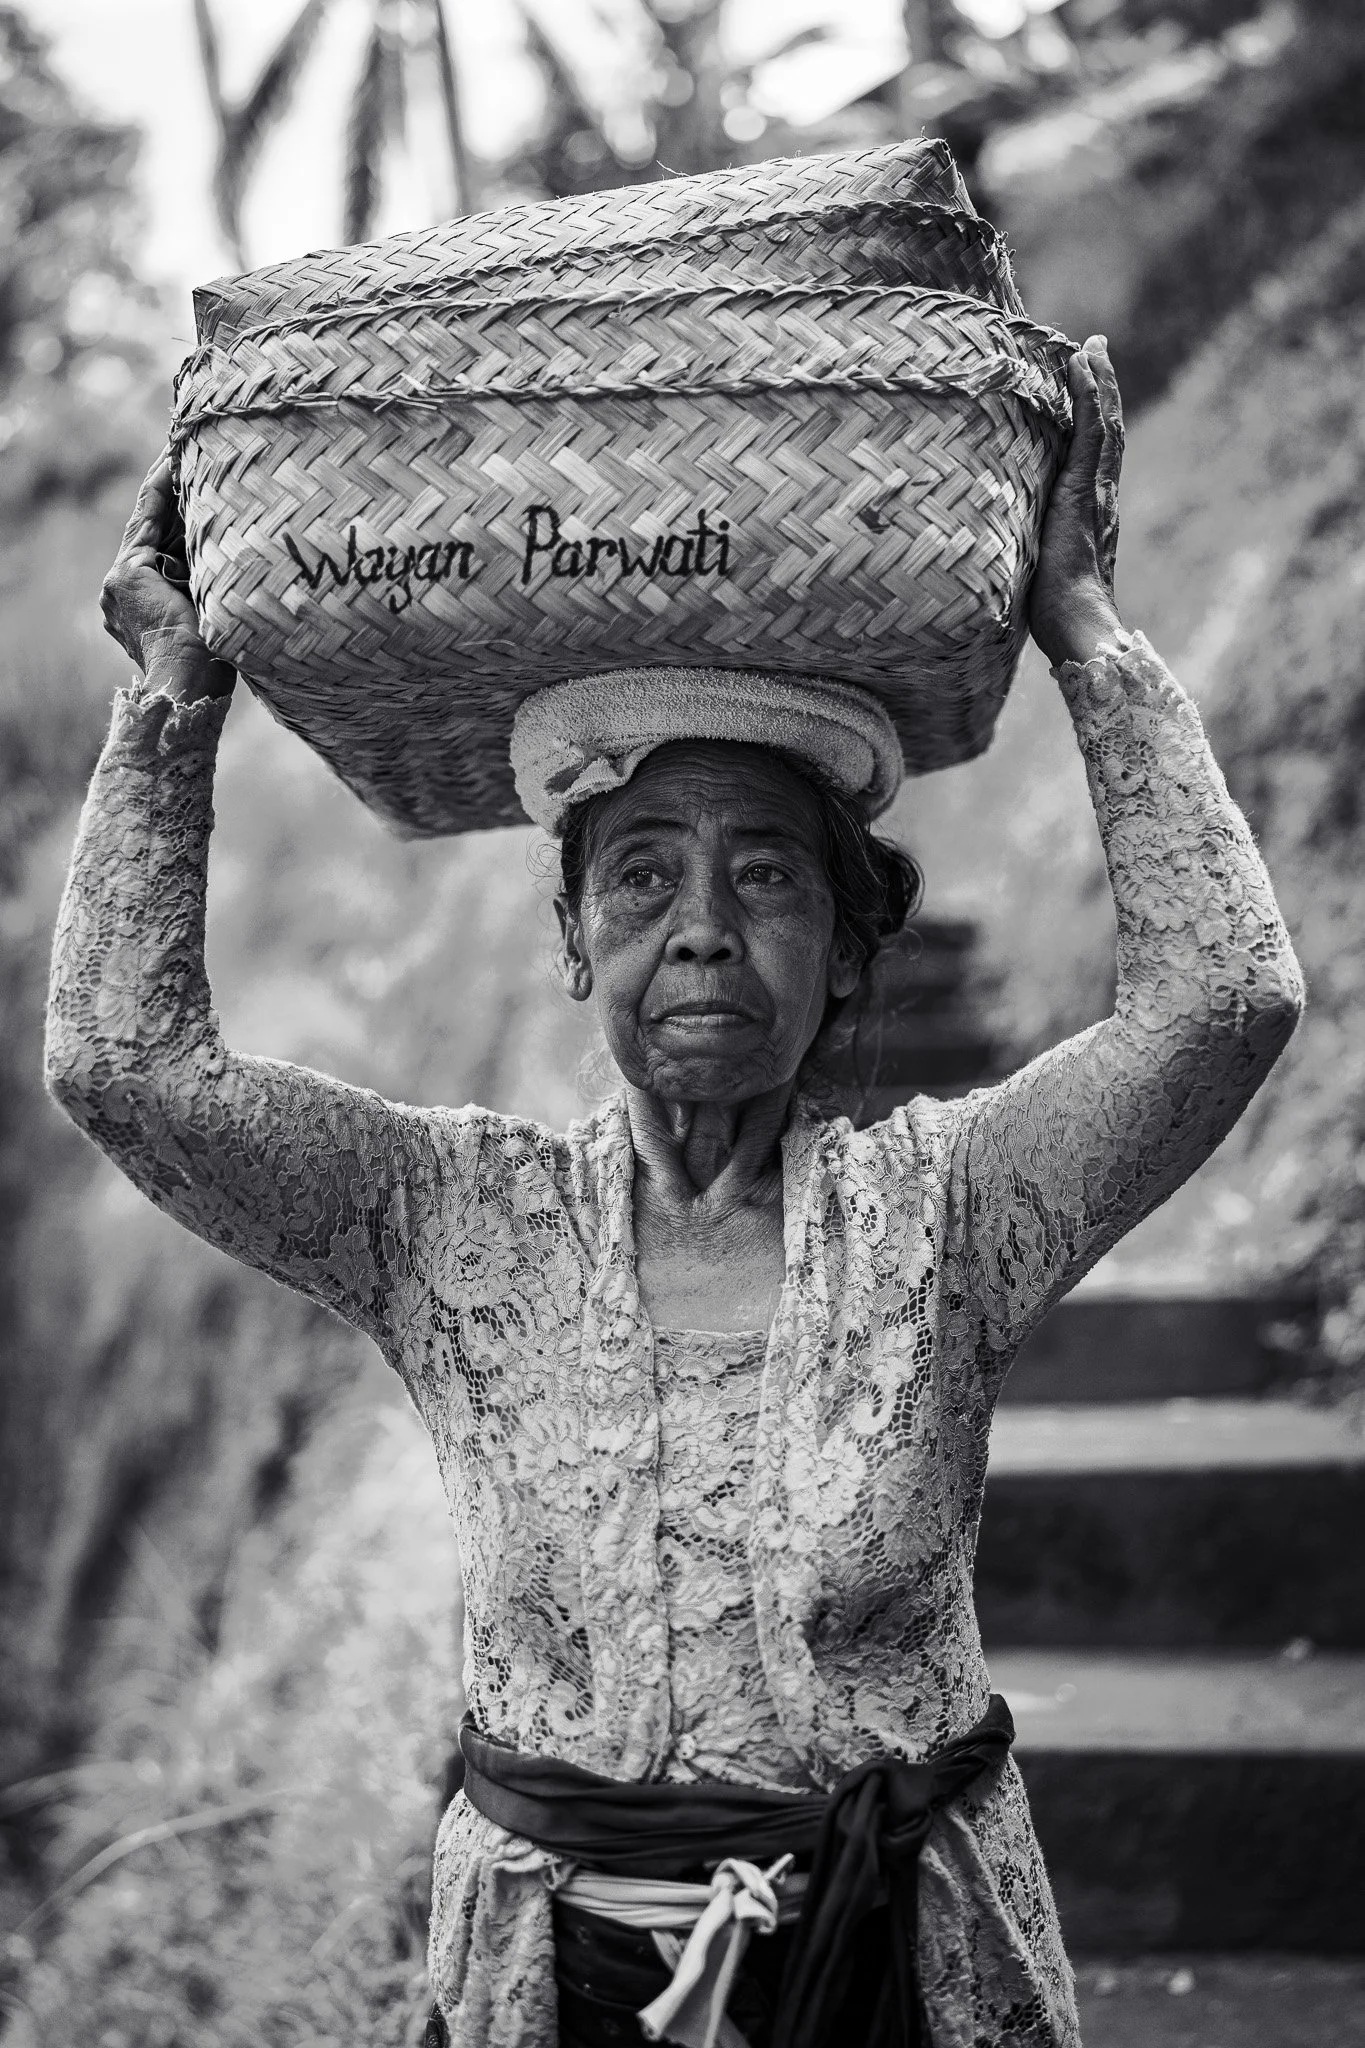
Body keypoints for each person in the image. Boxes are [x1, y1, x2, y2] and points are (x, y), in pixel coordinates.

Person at [48, 336, 1302, 2048]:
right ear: (574, 941)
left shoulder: (952, 1215)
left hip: (900, 1974)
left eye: (765, 873)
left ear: (851, 951)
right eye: (642, 876)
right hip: (549, 1985)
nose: (701, 924)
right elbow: (127, 1064)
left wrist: (1087, 635)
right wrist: (172, 703)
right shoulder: (447, 1221)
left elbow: (1222, 1003)